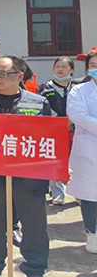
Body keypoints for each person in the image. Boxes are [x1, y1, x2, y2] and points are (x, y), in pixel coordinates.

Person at [0, 55, 52, 277]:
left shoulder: (39, 103)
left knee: (34, 225)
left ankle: (35, 269)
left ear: (19, 76)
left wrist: (61, 167)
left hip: (30, 175)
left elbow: (50, 139)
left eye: (3, 73)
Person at [37, 56, 81, 205]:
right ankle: (57, 193)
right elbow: (43, 107)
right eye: (58, 66)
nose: (60, 69)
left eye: (64, 67)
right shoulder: (45, 88)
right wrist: (60, 120)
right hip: (54, 129)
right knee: (55, 159)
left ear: (72, 70)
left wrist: (72, 119)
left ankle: (78, 193)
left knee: (77, 159)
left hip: (77, 127)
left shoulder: (78, 86)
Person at [67, 50, 97, 254]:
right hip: (89, 149)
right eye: (93, 65)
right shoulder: (78, 91)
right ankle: (92, 234)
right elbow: (77, 115)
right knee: (90, 194)